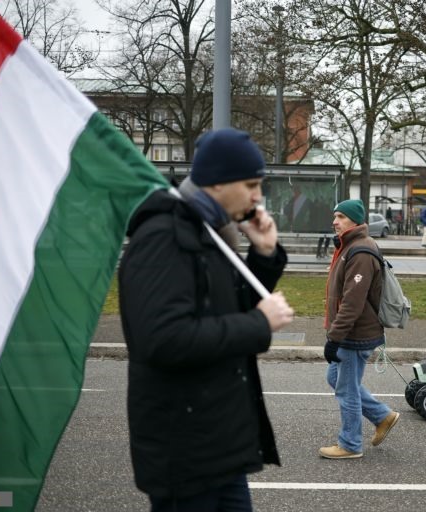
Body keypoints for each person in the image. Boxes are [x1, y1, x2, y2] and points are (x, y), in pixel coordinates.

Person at [119, 128, 295, 511]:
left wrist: (264, 255)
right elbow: (163, 338)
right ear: (218, 181)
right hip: (185, 455)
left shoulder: (208, 233)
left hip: (218, 447)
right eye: (250, 184)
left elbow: (227, 311)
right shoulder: (164, 236)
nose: (257, 197)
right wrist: (259, 324)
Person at [319, 199, 400, 460]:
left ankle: (350, 444)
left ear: (355, 220)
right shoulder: (350, 246)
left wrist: (334, 337)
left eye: (341, 216)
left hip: (354, 335)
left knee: (346, 389)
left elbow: (352, 303)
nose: (335, 221)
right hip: (350, 333)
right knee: (336, 379)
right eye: (335, 216)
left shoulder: (361, 252)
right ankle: (382, 416)